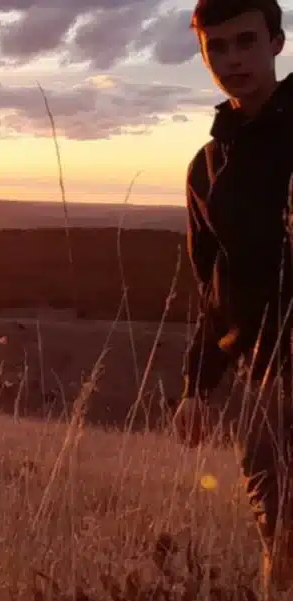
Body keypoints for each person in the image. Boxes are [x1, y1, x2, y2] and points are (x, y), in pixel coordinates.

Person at [171, 0, 293, 595]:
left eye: (245, 41)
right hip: (267, 382)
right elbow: (213, 286)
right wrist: (199, 383)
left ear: (276, 41)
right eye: (216, 47)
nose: (232, 59)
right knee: (282, 544)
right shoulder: (208, 167)